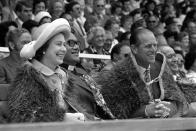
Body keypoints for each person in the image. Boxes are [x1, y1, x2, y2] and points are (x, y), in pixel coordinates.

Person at [96, 28, 189, 119]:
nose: (153, 50)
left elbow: (177, 100)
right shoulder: (119, 74)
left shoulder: (161, 67)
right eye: (148, 46)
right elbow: (113, 112)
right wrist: (146, 110)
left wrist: (167, 108)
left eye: (155, 45)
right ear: (134, 49)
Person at [8, 18, 85, 123]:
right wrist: (62, 119)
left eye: (64, 44)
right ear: (44, 48)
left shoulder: (64, 75)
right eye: (58, 44)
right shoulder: (29, 77)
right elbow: (24, 116)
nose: (64, 49)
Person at [60, 33, 114, 120]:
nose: (77, 47)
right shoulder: (59, 76)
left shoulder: (80, 70)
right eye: (71, 43)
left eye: (77, 43)